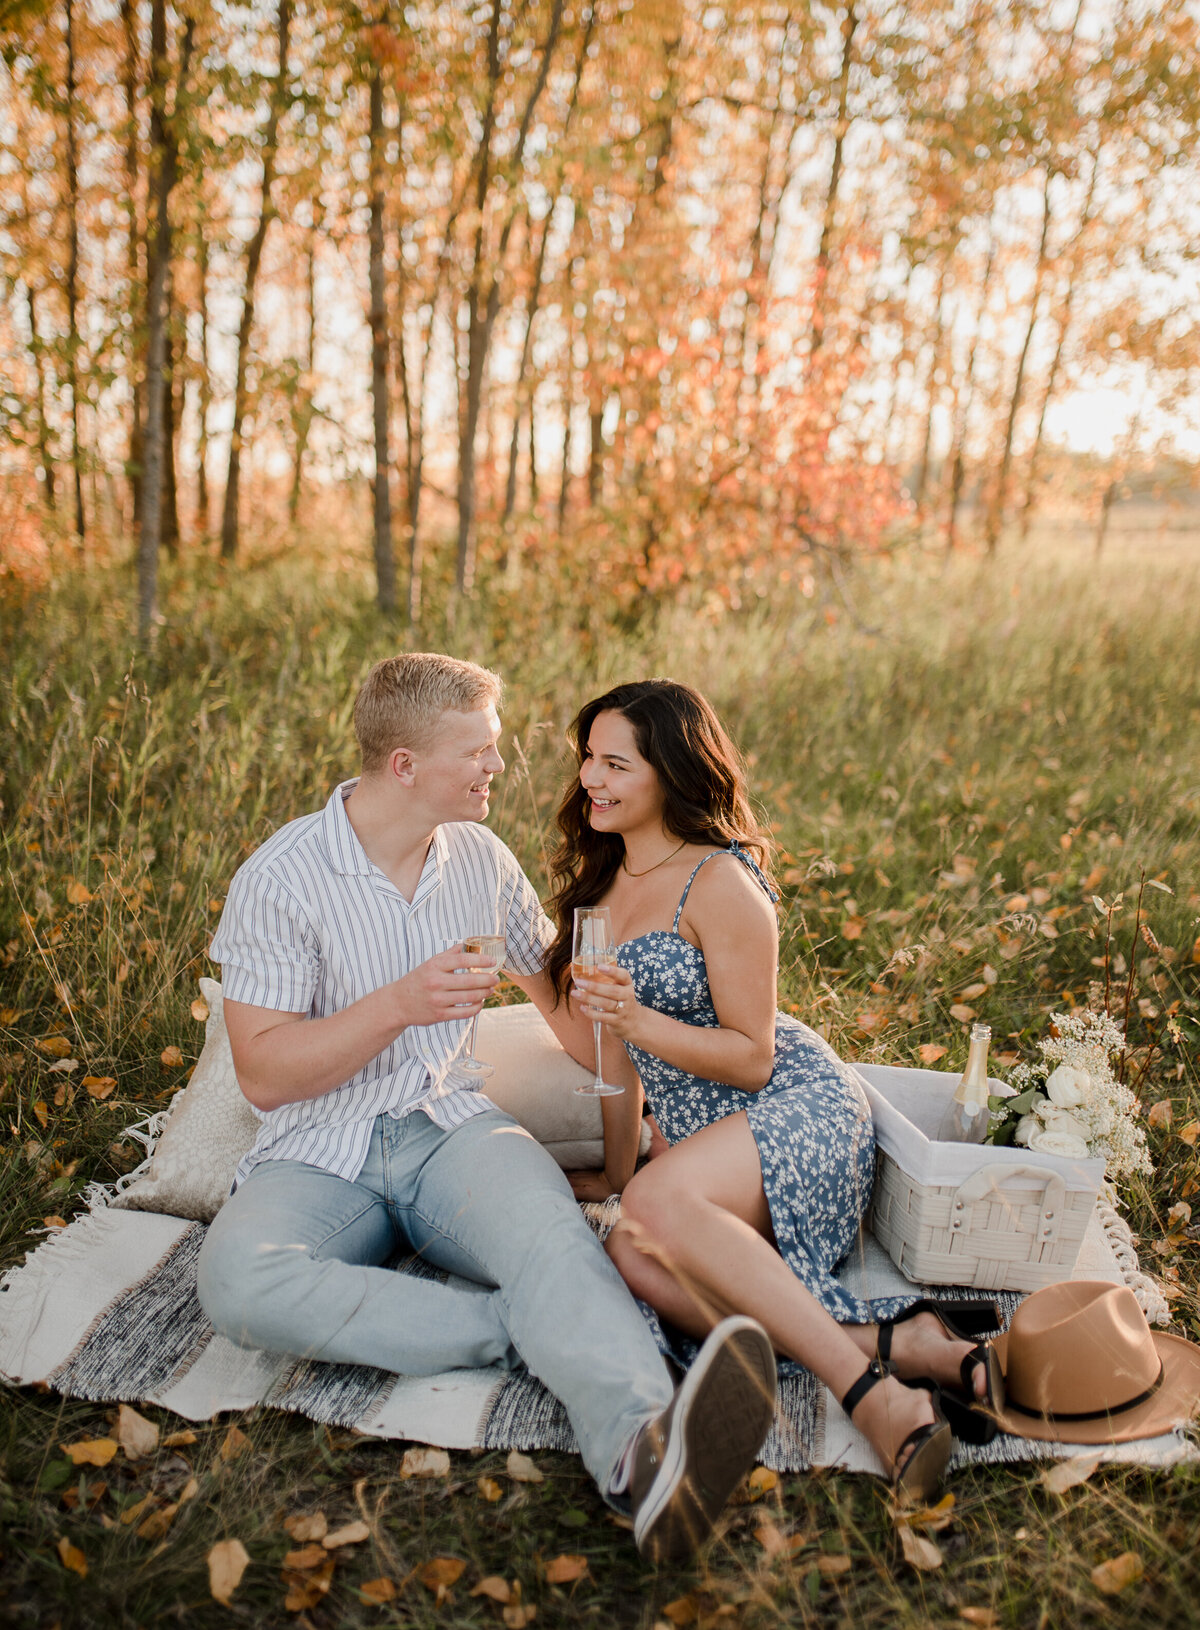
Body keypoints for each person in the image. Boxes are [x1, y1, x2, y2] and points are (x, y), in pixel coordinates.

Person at [195, 653, 776, 1562]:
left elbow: (571, 1022)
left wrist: (621, 1021)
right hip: (315, 1151)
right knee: (236, 1282)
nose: (499, 769)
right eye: (480, 752)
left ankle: (643, 1454)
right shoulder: (281, 877)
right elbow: (264, 1077)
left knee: (556, 1243)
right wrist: (399, 1002)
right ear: (405, 766)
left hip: (452, 1130)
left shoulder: (481, 860)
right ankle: (522, 1328)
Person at [545, 678, 1002, 1503]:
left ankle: (869, 1397)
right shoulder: (603, 884)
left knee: (652, 1214)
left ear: (671, 773)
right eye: (588, 760)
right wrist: (616, 1176)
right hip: (704, 1151)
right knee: (630, 1247)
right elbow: (609, 1060)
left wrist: (637, 1024)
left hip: (796, 1111)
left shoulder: (721, 882)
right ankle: (911, 1346)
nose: (591, 780)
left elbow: (752, 1057)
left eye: (616, 763)